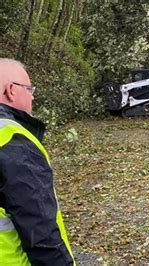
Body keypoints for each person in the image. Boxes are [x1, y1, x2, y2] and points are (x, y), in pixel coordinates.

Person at [0, 58, 75, 265]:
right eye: (29, 89)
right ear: (12, 90)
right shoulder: (13, 141)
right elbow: (41, 233)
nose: (32, 97)